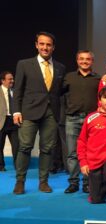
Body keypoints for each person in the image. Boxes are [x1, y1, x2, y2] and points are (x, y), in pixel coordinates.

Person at [12, 31, 66, 194]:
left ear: (53, 47)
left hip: (51, 113)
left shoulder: (60, 67)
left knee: (47, 148)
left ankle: (43, 182)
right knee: (25, 147)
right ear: (36, 45)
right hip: (28, 112)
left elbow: (59, 91)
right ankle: (20, 181)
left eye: (48, 44)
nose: (45, 47)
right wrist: (16, 112)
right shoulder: (24, 64)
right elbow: (18, 90)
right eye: (42, 44)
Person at [63, 50, 101, 193]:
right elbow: (57, 95)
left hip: (91, 120)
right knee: (72, 153)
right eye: (81, 59)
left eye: (88, 59)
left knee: (89, 153)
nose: (84, 61)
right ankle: (73, 183)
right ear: (77, 60)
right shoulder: (68, 77)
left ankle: (87, 183)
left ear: (92, 61)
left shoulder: (99, 79)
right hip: (72, 119)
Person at [0, 71, 18, 171]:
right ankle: (1, 166)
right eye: (9, 79)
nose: (12, 81)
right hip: (1, 121)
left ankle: (18, 166)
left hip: (14, 122)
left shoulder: (15, 91)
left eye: (12, 79)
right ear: (3, 81)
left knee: (17, 146)